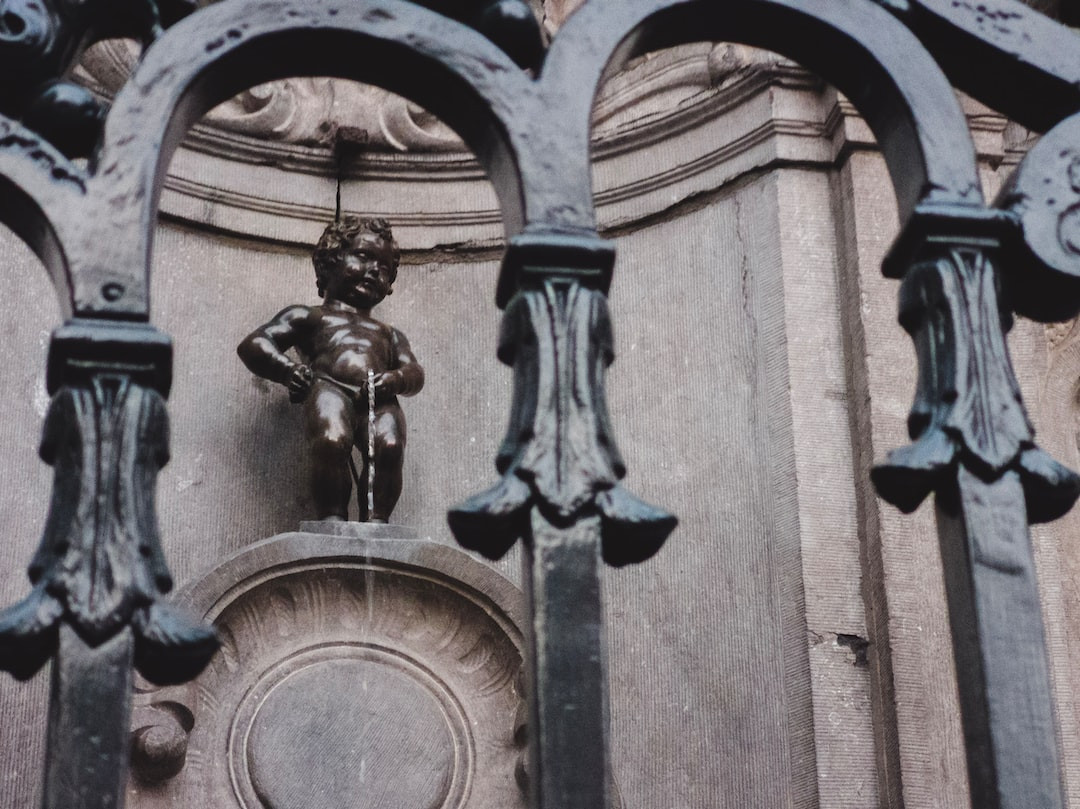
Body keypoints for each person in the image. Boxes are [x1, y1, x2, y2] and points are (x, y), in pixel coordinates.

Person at [237, 216, 424, 522]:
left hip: (380, 394)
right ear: (329, 261)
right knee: (330, 440)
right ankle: (332, 518)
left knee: (389, 446)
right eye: (363, 256)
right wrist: (287, 371)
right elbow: (255, 344)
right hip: (328, 385)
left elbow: (415, 372)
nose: (375, 270)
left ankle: (377, 522)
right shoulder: (310, 317)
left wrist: (396, 379)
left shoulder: (389, 334)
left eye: (385, 267)